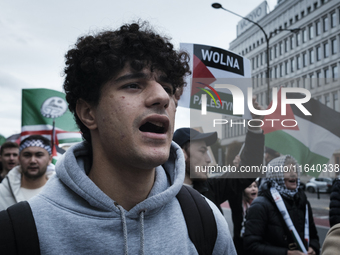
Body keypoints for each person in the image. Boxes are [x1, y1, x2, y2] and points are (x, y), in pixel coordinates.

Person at [0, 22, 237, 254]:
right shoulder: (18, 231)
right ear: (88, 113)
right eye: (133, 85)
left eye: (167, 87)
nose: (162, 97)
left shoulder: (206, 219)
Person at [173, 116, 264, 254]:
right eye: (203, 151)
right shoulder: (160, 198)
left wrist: (255, 128)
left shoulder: (210, 189)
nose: (209, 160)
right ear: (182, 154)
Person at [244, 155, 320, 255]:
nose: (293, 174)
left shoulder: (302, 201)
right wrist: (286, 253)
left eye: (295, 170)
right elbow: (251, 246)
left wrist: (313, 247)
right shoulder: (260, 205)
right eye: (288, 170)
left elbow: (313, 236)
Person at [0, 135, 54, 210]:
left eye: (39, 155)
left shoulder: (60, 192)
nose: (32, 160)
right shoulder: (3, 191)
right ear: (19, 159)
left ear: (49, 159)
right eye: (27, 155)